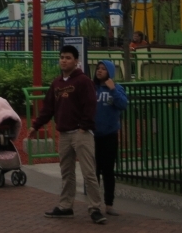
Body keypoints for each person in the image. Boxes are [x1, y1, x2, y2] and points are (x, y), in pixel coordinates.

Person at [31, 44, 105, 224]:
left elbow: (90, 106)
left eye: (68, 58)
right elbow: (48, 108)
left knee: (88, 173)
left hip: (81, 133)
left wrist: (83, 127)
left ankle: (95, 208)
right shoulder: (57, 84)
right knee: (67, 172)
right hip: (64, 134)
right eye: (62, 57)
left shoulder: (83, 81)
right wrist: (36, 125)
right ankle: (65, 206)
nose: (64, 60)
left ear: (76, 61)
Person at [94, 60, 128, 216]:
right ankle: (94, 203)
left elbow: (123, 105)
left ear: (110, 72)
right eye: (98, 68)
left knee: (108, 171)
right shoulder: (92, 88)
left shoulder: (117, 88)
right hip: (92, 135)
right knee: (94, 171)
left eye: (103, 69)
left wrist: (113, 89)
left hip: (109, 135)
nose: (99, 71)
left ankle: (109, 204)